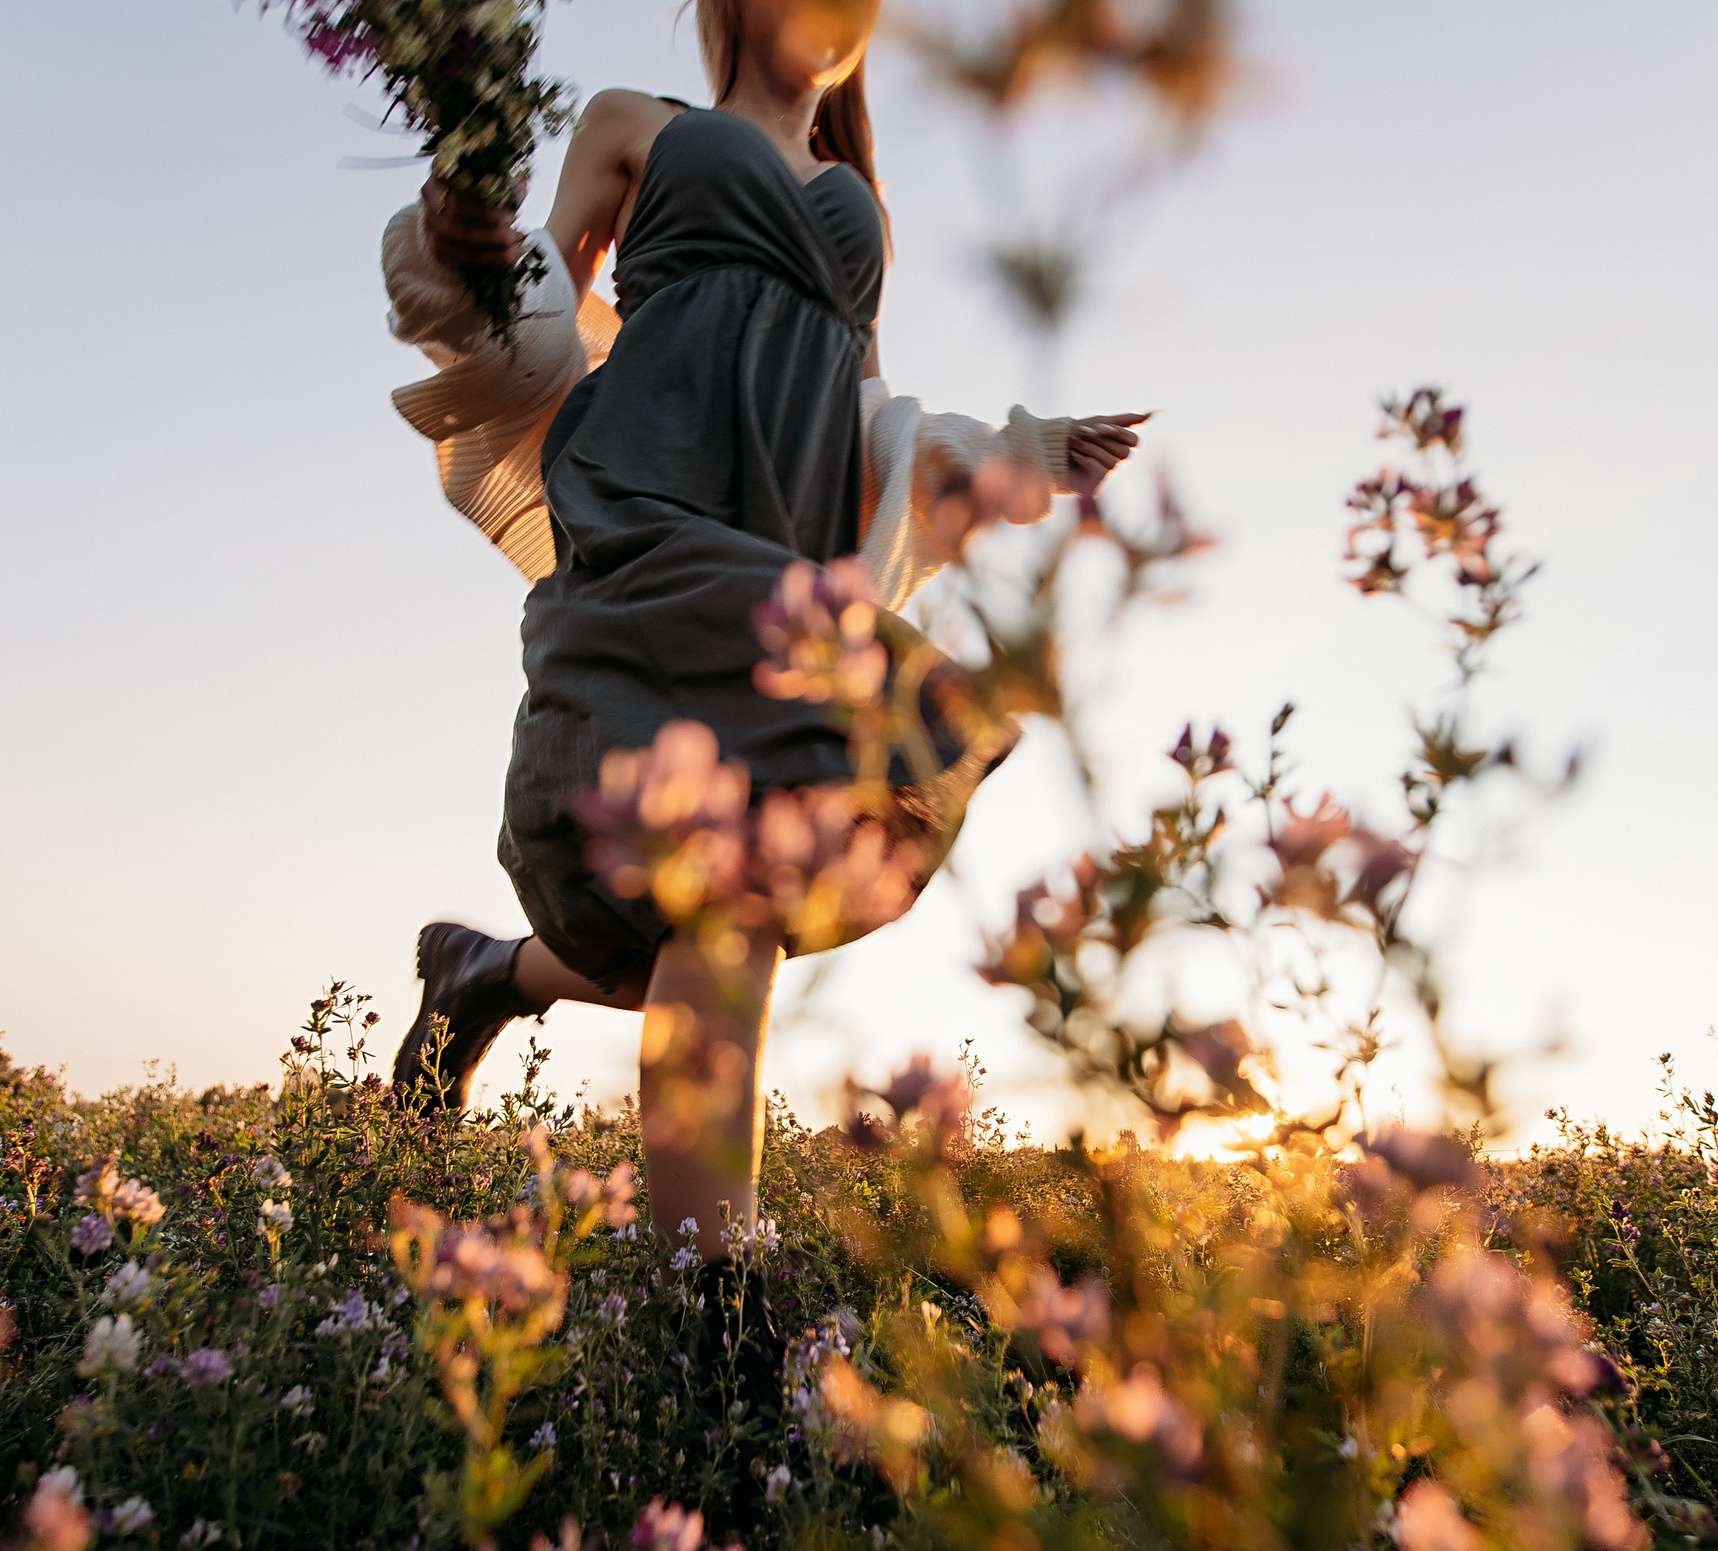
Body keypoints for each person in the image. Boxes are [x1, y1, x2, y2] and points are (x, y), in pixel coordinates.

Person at [378, 0, 1146, 1260]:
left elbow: (860, 415)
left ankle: (483, 974)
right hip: (645, 507)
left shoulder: (862, 204)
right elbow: (532, 326)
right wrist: (460, 246)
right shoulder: (639, 125)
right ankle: (711, 1311)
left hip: (781, 556)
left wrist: (1008, 454)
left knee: (691, 929)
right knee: (727, 899)